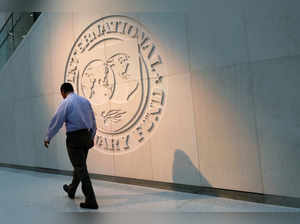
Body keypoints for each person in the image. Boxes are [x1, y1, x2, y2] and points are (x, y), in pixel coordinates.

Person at [44, 83, 99, 209]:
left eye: (61, 93)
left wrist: (48, 137)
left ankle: (91, 200)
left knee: (80, 168)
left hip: (74, 139)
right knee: (79, 166)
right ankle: (71, 190)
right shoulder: (85, 101)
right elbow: (93, 121)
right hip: (86, 137)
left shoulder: (66, 102)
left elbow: (57, 120)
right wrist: (91, 136)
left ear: (63, 91)